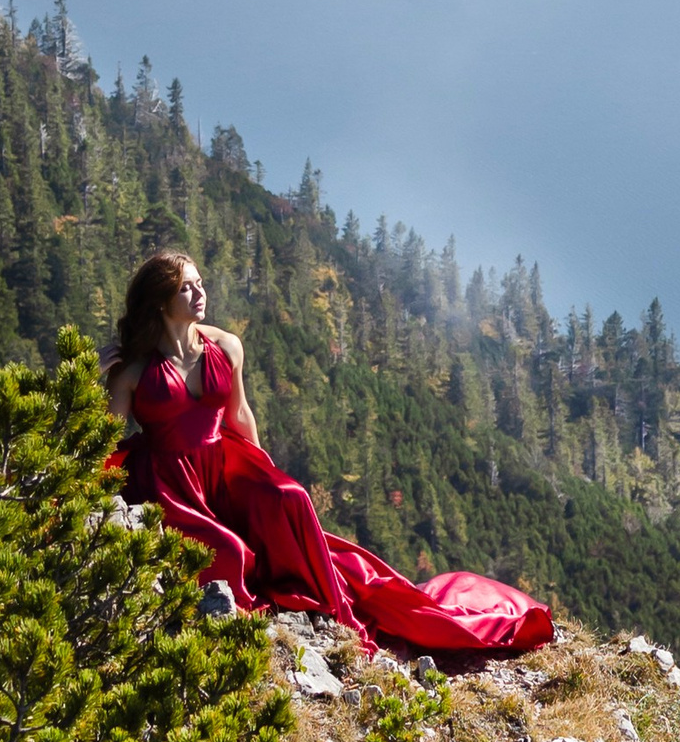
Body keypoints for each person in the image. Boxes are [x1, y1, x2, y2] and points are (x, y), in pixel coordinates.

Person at [103, 249, 554, 657]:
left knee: (291, 497)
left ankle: (333, 607)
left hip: (224, 461)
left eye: (200, 282)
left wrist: (264, 475)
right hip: (172, 483)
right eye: (186, 286)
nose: (200, 292)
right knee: (230, 554)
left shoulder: (225, 346)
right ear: (162, 301)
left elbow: (239, 413)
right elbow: (103, 436)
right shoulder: (134, 372)